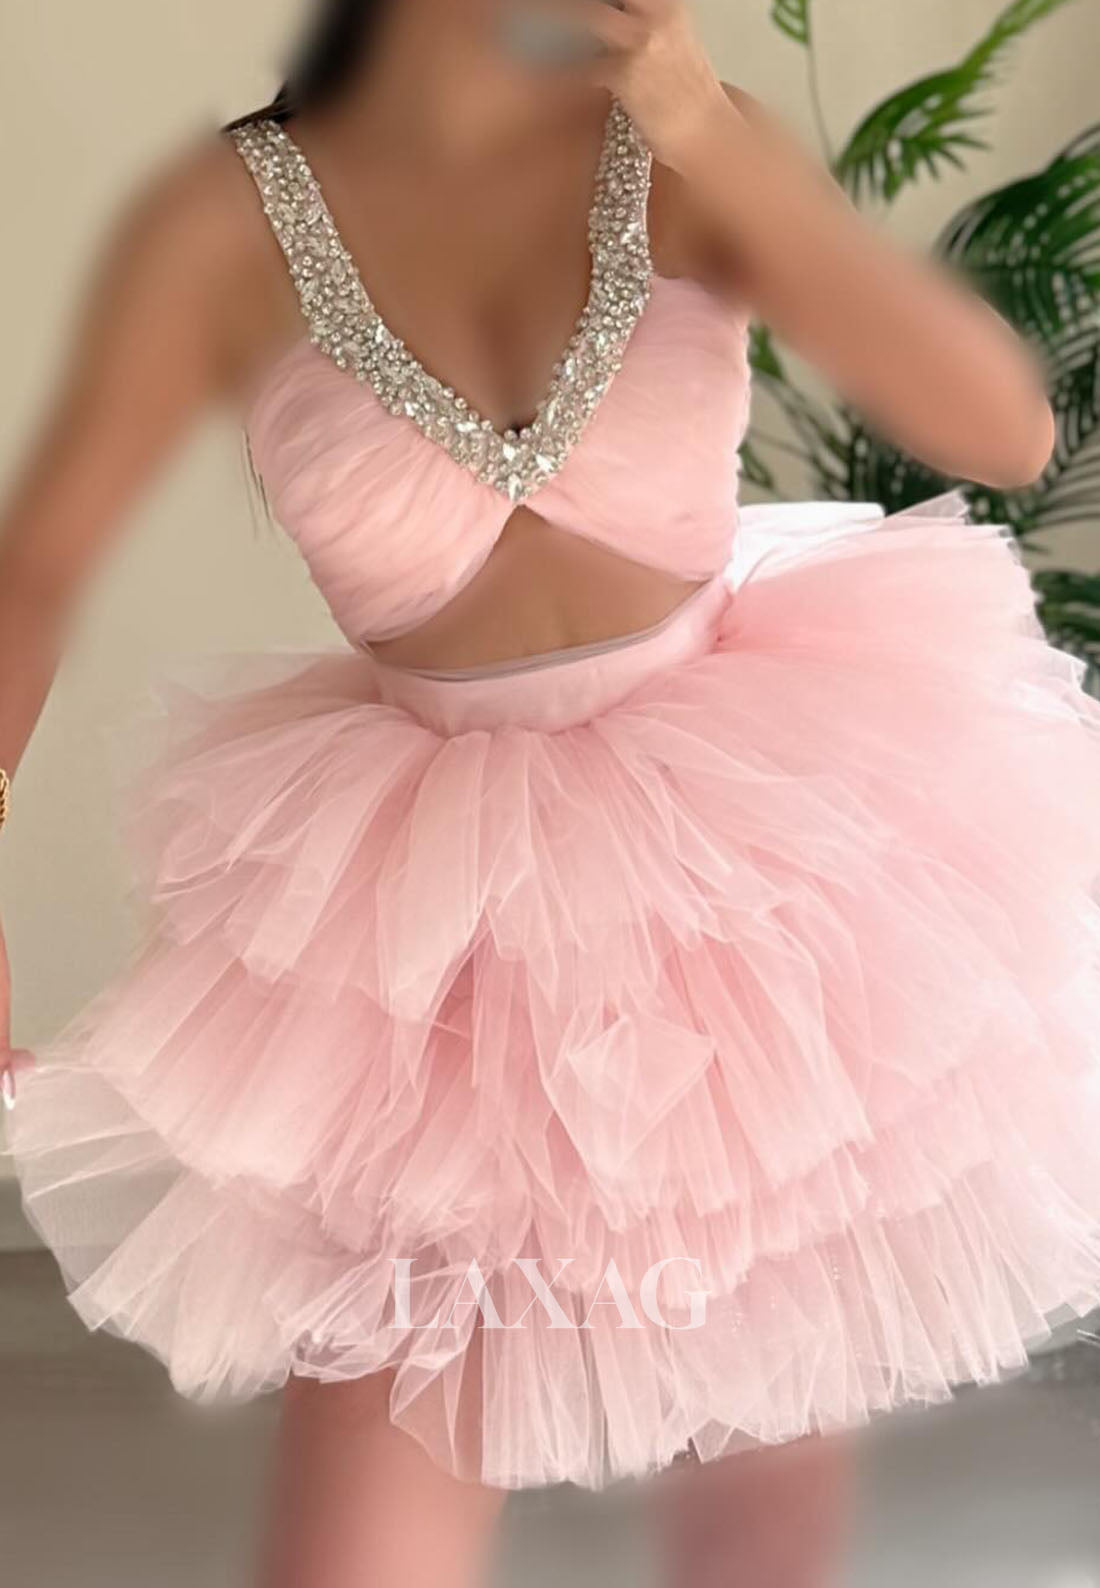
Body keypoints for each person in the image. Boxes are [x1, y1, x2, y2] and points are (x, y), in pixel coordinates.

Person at [3, 2, 1099, 1585]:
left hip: (747, 894)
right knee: (354, 1559)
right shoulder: (221, 222)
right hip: (428, 934)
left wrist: (707, 133)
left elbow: (1004, 430)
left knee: (758, 1531)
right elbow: (33, 567)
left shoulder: (682, 142)